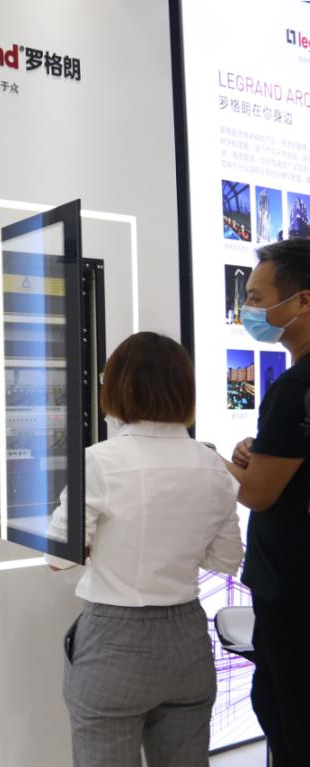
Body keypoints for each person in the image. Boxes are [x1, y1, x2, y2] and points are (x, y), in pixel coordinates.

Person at [48, 332, 242, 766]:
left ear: (118, 388)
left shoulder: (99, 460)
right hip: (187, 639)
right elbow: (228, 559)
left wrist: (105, 546)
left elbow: (58, 558)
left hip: (114, 640)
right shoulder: (212, 464)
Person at [224, 237, 310, 765]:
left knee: (289, 714)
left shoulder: (295, 388)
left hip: (292, 589)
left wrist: (211, 460)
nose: (248, 310)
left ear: (302, 301)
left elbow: (258, 494)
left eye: (256, 298)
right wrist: (259, 454)